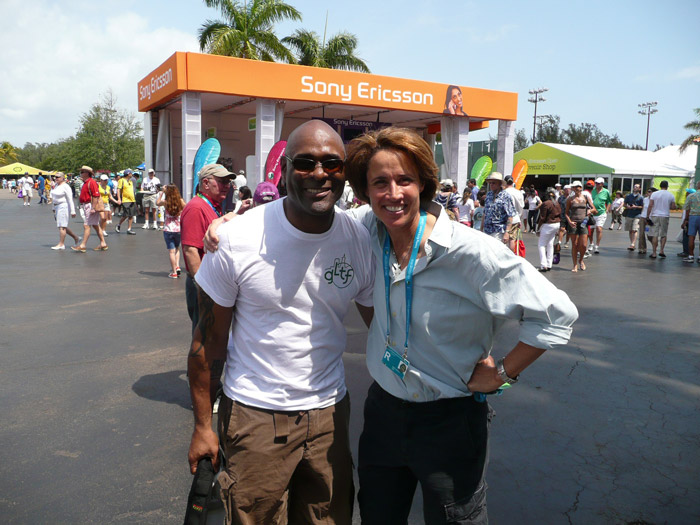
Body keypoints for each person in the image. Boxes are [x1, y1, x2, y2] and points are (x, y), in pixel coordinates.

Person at [341, 127, 577, 523]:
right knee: (377, 515)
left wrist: (502, 372)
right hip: (383, 414)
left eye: (405, 180)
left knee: (456, 519)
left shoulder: (472, 252)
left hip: (449, 422)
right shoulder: (369, 228)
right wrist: (231, 223)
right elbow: (314, 220)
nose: (393, 193)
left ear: (425, 185)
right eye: (380, 182)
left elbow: (556, 313)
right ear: (365, 191)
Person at [187, 121, 374, 524]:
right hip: (255, 416)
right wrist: (204, 425)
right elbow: (207, 344)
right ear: (285, 171)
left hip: (329, 416)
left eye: (331, 163)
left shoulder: (359, 239)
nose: (319, 173)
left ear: (345, 171)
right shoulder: (239, 239)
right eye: (305, 163)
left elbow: (386, 325)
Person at [181, 164, 250, 334]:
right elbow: (191, 251)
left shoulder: (212, 205)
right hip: (204, 285)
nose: (228, 186)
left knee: (216, 333)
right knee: (206, 336)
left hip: (213, 284)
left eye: (228, 182)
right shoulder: (196, 207)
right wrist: (203, 290)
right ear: (206, 183)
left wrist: (239, 213)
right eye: (222, 182)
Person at [71, 166, 107, 252]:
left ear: (87, 173)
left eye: (82, 172)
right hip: (87, 205)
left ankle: (83, 245)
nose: (81, 173)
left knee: (86, 225)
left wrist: (93, 207)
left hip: (90, 205)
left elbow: (95, 195)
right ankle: (103, 243)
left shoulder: (91, 182)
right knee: (95, 225)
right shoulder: (87, 182)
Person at [157, 185, 186, 278]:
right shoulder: (181, 202)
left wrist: (161, 193)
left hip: (168, 229)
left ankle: (174, 272)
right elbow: (187, 209)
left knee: (171, 252)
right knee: (177, 248)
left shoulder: (165, 202)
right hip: (178, 229)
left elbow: (157, 203)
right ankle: (177, 266)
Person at [565, 181, 595, 272]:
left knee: (583, 245)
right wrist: (569, 222)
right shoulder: (570, 199)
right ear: (573, 188)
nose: (577, 189)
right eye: (575, 187)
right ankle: (575, 265)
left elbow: (594, 209)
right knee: (574, 244)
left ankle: (581, 260)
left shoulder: (585, 197)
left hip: (583, 223)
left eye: (578, 187)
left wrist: (590, 211)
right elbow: (566, 213)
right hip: (574, 223)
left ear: (581, 188)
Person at [481, 171, 516, 244]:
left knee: (496, 253)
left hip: (498, 231)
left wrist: (507, 232)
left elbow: (510, 216)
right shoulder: (489, 195)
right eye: (490, 183)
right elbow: (485, 213)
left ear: (499, 183)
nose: (491, 184)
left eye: (493, 183)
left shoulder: (505, 196)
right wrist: (481, 229)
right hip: (487, 230)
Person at [646, 180, 676, 259]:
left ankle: (654, 252)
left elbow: (650, 205)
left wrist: (647, 215)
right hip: (665, 215)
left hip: (655, 215)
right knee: (663, 234)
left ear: (660, 186)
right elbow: (673, 207)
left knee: (655, 234)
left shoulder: (654, 194)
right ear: (667, 186)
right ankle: (662, 250)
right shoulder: (671, 195)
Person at [49, 173, 80, 250]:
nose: (56, 178)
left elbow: (70, 199)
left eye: (58, 177)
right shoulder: (56, 185)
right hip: (56, 206)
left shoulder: (66, 186)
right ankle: (76, 237)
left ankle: (61, 244)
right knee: (62, 225)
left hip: (63, 206)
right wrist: (53, 207)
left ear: (63, 178)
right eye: (55, 177)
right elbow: (53, 197)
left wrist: (73, 210)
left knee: (61, 226)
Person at [537, 188, 562, 272]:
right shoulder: (557, 203)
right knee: (550, 244)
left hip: (548, 224)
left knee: (541, 244)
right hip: (556, 224)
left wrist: (538, 228)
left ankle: (543, 265)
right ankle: (549, 264)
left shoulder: (546, 204)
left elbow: (542, 217)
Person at [589, 177, 612, 253]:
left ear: (602, 184)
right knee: (591, 230)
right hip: (592, 213)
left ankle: (597, 246)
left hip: (601, 213)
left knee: (599, 229)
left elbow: (609, 201)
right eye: (596, 183)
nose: (597, 185)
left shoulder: (606, 192)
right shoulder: (592, 191)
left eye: (598, 183)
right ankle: (591, 243)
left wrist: (607, 209)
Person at [681, 181, 700, 263]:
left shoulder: (691, 196)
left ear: (697, 186)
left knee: (691, 237)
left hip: (693, 216)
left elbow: (687, 209)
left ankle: (691, 255)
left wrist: (686, 219)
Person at [622, 184, 644, 251]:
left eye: (637, 187)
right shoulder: (629, 196)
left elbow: (643, 206)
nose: (635, 188)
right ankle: (631, 243)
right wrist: (627, 206)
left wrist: (636, 207)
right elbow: (625, 204)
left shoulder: (641, 197)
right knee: (630, 230)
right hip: (629, 214)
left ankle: (633, 244)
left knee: (634, 229)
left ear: (639, 189)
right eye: (634, 187)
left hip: (637, 215)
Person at [116, 169, 137, 235]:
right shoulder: (121, 180)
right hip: (125, 200)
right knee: (126, 214)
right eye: (131, 173)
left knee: (131, 215)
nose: (132, 174)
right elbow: (118, 190)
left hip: (132, 199)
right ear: (128, 173)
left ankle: (129, 229)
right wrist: (119, 199)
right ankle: (119, 224)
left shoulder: (130, 181)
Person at [98, 174, 117, 239]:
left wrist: (116, 201)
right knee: (102, 217)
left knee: (105, 218)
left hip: (106, 203)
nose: (106, 181)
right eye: (104, 180)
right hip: (100, 203)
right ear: (101, 180)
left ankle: (103, 230)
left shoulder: (108, 187)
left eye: (106, 180)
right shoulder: (98, 187)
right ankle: (100, 230)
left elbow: (110, 196)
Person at [637, 188, 655, 254]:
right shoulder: (645, 199)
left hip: (650, 218)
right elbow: (643, 208)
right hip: (643, 217)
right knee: (641, 233)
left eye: (650, 192)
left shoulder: (655, 200)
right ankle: (642, 248)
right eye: (648, 192)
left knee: (649, 235)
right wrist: (640, 217)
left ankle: (654, 246)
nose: (648, 193)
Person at [557, 185, 572, 249]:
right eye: (566, 189)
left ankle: (567, 242)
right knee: (562, 229)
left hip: (570, 216)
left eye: (569, 189)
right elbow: (558, 205)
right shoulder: (561, 198)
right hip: (562, 215)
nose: (568, 190)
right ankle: (559, 242)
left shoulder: (572, 198)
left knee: (569, 230)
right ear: (564, 190)